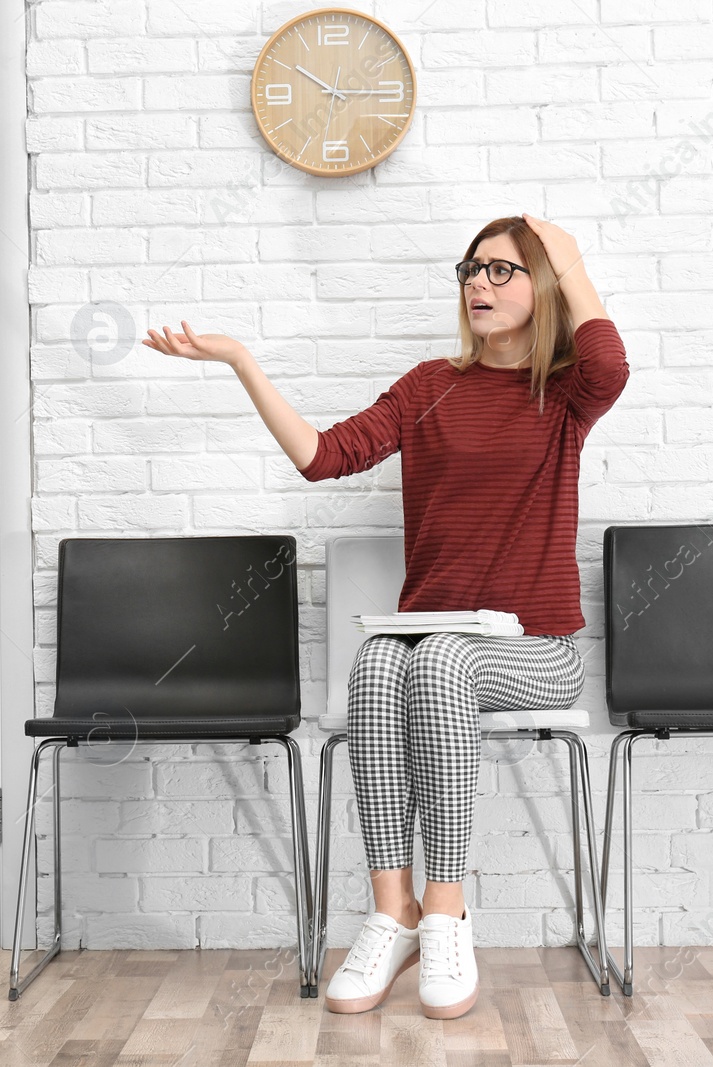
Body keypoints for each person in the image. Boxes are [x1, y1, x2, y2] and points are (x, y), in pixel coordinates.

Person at [141, 213, 628, 1020]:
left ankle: (447, 910)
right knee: (376, 664)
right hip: (430, 645)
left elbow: (611, 361)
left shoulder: (566, 392)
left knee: (438, 658)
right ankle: (392, 909)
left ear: (541, 286)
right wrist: (240, 361)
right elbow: (322, 456)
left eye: (501, 270)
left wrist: (568, 257)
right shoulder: (429, 386)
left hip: (537, 649)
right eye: (470, 268)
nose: (477, 282)